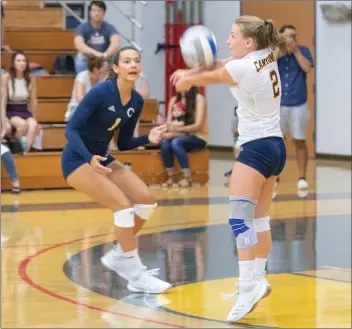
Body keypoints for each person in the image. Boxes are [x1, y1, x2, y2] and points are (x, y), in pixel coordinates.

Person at [171, 15, 287, 322]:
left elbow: (213, 76)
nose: (227, 40)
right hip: (275, 146)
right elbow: (222, 63)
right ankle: (257, 278)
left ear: (248, 42)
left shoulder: (243, 67)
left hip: (257, 150)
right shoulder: (265, 55)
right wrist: (195, 68)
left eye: (232, 35)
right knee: (259, 221)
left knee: (239, 221)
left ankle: (248, 285)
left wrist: (186, 77)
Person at [61, 46, 171, 294]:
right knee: (122, 206)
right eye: (127, 61)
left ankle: (121, 254)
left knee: (146, 201)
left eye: (137, 61)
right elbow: (71, 131)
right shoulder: (101, 92)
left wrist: (148, 138)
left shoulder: (136, 100)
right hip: (77, 159)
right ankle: (136, 275)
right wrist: (89, 159)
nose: (133, 65)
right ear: (116, 67)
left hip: (103, 156)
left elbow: (123, 143)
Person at [277, 25, 313, 192]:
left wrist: (296, 51)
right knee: (277, 142)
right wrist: (281, 49)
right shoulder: (275, 53)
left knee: (299, 140)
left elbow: (307, 67)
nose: (291, 39)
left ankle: (302, 177)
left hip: (299, 104)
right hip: (278, 105)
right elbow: (263, 69)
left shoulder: (303, 50)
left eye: (293, 36)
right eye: (287, 36)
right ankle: (274, 177)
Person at [160, 87, 208, 188]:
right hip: (177, 135)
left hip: (198, 136)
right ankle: (171, 176)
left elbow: (198, 126)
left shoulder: (199, 99)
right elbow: (169, 123)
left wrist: (177, 130)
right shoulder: (174, 100)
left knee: (176, 142)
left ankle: (187, 177)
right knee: (164, 141)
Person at [1, 51, 39, 155]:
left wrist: (35, 118)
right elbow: (3, 101)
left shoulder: (30, 78)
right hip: (11, 109)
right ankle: (18, 150)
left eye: (24, 61)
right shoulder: (6, 77)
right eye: (18, 60)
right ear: (13, 63)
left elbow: (33, 100)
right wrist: (4, 122)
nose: (22, 63)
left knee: (33, 125)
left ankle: (25, 152)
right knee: (22, 125)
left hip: (24, 109)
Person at [74, 1, 120, 73]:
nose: (97, 13)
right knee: (80, 58)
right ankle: (84, 80)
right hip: (89, 58)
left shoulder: (110, 28)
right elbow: (79, 45)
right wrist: (96, 54)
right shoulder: (82, 27)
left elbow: (116, 44)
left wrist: (105, 55)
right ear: (90, 12)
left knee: (116, 58)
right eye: (94, 10)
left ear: (104, 13)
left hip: (105, 57)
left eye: (99, 10)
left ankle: (110, 82)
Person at [65, 56, 108, 122]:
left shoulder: (104, 79)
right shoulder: (82, 76)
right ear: (96, 70)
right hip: (77, 108)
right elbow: (80, 99)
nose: (107, 71)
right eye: (105, 69)